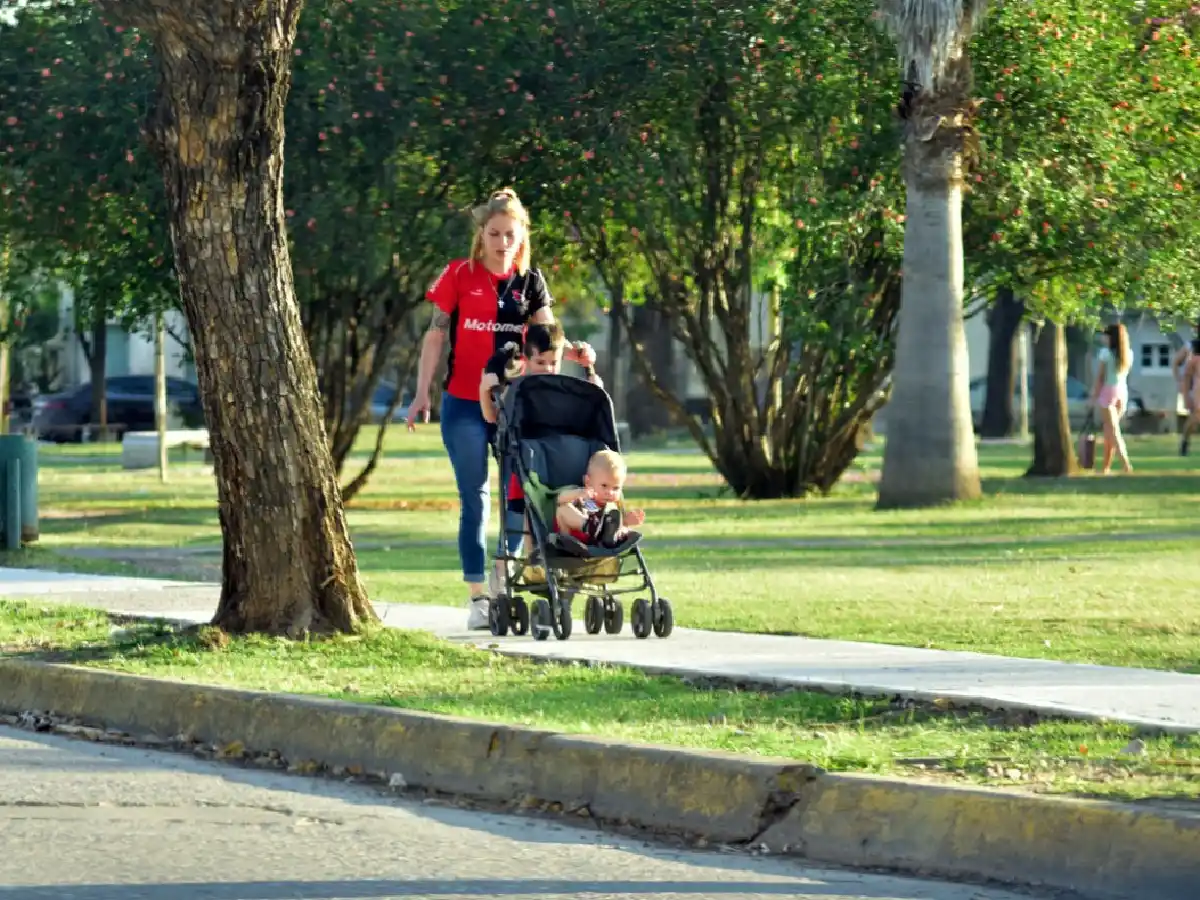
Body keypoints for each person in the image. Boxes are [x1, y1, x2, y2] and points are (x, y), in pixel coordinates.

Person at [406, 188, 596, 629]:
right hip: (463, 404)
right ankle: (476, 596)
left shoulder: (532, 284)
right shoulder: (458, 275)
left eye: (510, 234)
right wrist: (421, 393)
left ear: (522, 236)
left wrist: (577, 356)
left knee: (523, 494)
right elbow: (436, 336)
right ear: (482, 235)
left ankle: (504, 573)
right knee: (474, 497)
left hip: (515, 407)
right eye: (494, 233)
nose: (502, 242)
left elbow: (546, 341)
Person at [480, 322, 604, 590]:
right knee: (531, 509)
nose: (548, 369)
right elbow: (493, 417)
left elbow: (592, 415)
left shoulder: (567, 390)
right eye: (540, 362)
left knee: (581, 502)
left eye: (553, 362)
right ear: (526, 359)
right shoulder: (519, 390)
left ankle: (591, 543)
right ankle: (534, 563)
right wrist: (485, 390)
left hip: (570, 467)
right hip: (531, 467)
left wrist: (593, 379)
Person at [554, 449, 646, 551]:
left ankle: (604, 532)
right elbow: (558, 500)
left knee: (620, 527)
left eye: (616, 488)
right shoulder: (582, 496)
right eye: (604, 486)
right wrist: (578, 493)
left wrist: (626, 522)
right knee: (562, 509)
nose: (610, 492)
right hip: (573, 541)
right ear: (588, 482)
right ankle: (590, 526)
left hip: (602, 542)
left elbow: (616, 527)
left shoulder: (613, 507)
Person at [1090, 323, 1133, 475]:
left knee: (1114, 432)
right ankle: (1105, 468)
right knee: (1109, 432)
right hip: (1122, 393)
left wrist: (1093, 396)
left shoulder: (1105, 353)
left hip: (1108, 393)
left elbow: (1100, 378)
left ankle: (1126, 465)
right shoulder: (1128, 354)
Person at [1179, 337, 1200, 456]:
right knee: (1195, 418)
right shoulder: (1195, 358)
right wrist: (1186, 396)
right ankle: (1185, 441)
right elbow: (1187, 377)